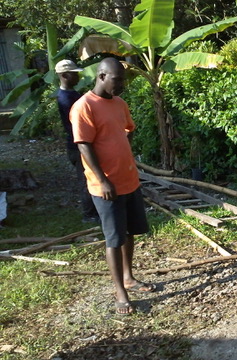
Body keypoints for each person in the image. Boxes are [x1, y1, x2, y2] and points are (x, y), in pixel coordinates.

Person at [70, 57, 156, 316]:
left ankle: (129, 276)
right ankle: (120, 291)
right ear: (102, 76)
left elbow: (127, 129)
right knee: (114, 238)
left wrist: (120, 150)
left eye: (123, 80)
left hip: (129, 179)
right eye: (117, 80)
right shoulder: (84, 106)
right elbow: (83, 144)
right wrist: (103, 179)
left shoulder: (119, 104)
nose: (121, 85)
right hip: (106, 185)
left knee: (130, 233)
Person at [55, 59, 99, 223]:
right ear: (65, 75)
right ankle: (89, 215)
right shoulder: (66, 98)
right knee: (87, 179)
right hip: (78, 146)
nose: (78, 76)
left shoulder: (71, 94)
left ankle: (94, 212)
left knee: (90, 177)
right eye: (74, 74)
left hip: (79, 144)